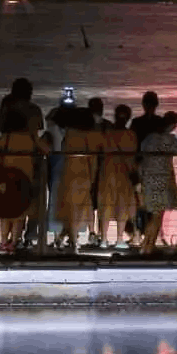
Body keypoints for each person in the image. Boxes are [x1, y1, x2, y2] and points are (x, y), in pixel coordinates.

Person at [0, 104, 51, 252]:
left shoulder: (6, 137)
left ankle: (3, 242)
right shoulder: (31, 137)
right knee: (20, 213)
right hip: (25, 179)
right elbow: (47, 150)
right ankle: (14, 242)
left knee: (5, 213)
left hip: (7, 178)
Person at [57, 107, 106, 251]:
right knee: (79, 210)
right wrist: (92, 177)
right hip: (84, 175)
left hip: (68, 173)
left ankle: (66, 237)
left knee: (70, 208)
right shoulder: (91, 135)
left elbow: (63, 150)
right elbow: (93, 158)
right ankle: (72, 240)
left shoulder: (70, 133)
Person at [136, 111, 177, 255]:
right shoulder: (169, 139)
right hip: (162, 179)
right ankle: (147, 246)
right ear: (172, 125)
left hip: (148, 178)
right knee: (157, 215)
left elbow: (141, 154)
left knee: (154, 213)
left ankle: (147, 244)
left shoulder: (149, 138)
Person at [99, 104, 139, 246]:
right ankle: (119, 239)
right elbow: (131, 157)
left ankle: (103, 239)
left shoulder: (106, 133)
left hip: (107, 172)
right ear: (128, 119)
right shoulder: (130, 135)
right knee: (123, 206)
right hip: (123, 174)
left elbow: (102, 151)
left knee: (106, 206)